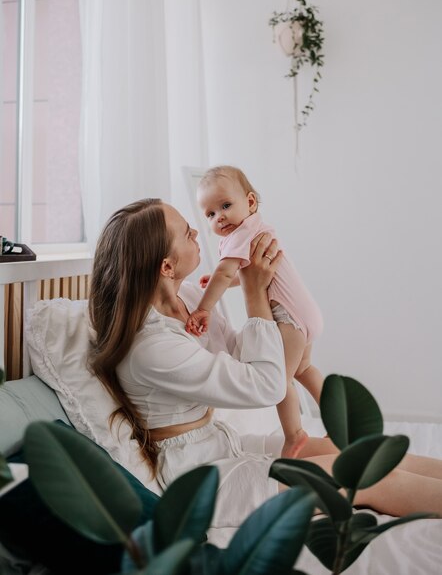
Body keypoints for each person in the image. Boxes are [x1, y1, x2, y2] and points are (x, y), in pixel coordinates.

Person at [88, 198, 442, 530]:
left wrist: (270, 299)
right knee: (367, 476)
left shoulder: (191, 299)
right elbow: (266, 385)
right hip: (201, 479)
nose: (197, 232)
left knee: (361, 453)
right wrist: (253, 293)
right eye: (186, 232)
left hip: (222, 443)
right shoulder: (151, 347)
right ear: (166, 266)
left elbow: (244, 357)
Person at [185, 165, 323, 458]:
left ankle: (295, 435)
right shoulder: (255, 227)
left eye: (225, 206)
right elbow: (241, 273)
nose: (219, 216)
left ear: (249, 202)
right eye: (210, 214)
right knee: (305, 370)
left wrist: (203, 308)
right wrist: (227, 281)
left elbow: (225, 273)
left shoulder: (238, 236)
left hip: (288, 318)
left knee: (278, 380)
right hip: (305, 311)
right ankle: (341, 421)